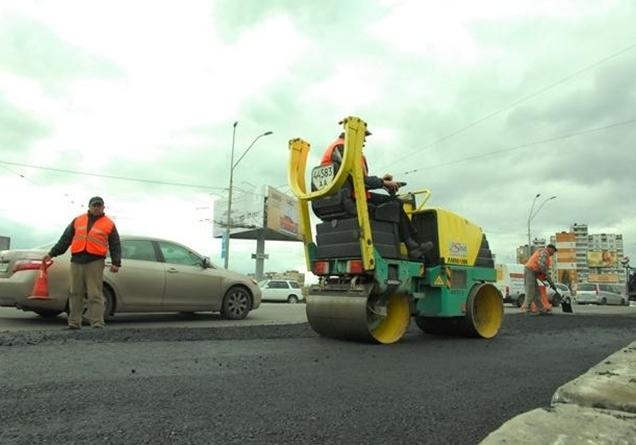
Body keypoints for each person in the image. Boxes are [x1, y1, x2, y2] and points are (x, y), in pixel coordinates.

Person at [321, 131, 433, 259]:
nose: (364, 142)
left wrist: (382, 182)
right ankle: (412, 245)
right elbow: (358, 180)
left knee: (394, 201)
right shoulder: (343, 148)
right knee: (395, 203)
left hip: (342, 197)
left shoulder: (337, 148)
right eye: (363, 138)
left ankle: (412, 244)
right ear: (354, 136)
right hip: (351, 199)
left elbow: (356, 179)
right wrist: (383, 183)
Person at [43, 196, 121, 329]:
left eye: (99, 205)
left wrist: (116, 262)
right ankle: (74, 323)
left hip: (95, 261)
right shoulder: (78, 220)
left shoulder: (109, 224)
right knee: (75, 292)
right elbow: (65, 240)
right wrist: (51, 253)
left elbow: (115, 244)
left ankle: (97, 323)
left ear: (103, 207)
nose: (96, 207)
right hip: (77, 260)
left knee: (95, 293)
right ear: (89, 206)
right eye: (94, 205)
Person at [522, 243, 558, 314]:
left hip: (533, 272)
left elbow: (541, 269)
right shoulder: (544, 252)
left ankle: (541, 309)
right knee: (531, 290)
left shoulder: (546, 255)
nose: (553, 253)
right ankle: (526, 308)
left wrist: (545, 279)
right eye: (553, 251)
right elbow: (541, 265)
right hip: (530, 270)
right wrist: (547, 277)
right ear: (550, 249)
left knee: (537, 292)